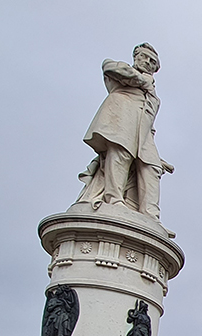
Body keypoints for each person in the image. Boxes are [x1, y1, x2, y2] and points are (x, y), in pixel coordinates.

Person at [77, 43, 174, 219]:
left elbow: (148, 122)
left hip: (143, 135)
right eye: (144, 57)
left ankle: (150, 215)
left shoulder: (152, 92)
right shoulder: (122, 70)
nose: (147, 62)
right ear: (136, 56)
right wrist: (143, 80)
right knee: (121, 155)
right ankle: (114, 199)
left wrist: (157, 155)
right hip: (120, 122)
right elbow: (110, 68)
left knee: (153, 168)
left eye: (152, 62)